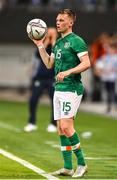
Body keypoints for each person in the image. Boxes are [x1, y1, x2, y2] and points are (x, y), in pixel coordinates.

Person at [30, 9, 91, 177]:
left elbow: (86, 63)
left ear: (70, 23)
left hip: (71, 89)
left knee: (66, 126)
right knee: (60, 129)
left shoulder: (76, 41)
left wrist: (68, 72)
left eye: (62, 20)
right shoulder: (57, 43)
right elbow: (49, 64)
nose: (58, 22)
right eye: (57, 19)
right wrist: (40, 46)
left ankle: (82, 164)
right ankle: (67, 167)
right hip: (59, 89)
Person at [24, 27, 58, 133]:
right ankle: (31, 123)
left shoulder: (57, 45)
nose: (50, 35)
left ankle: (53, 124)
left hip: (52, 78)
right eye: (49, 33)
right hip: (40, 77)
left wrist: (54, 41)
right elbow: (38, 55)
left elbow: (57, 55)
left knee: (55, 101)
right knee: (33, 100)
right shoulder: (42, 45)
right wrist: (46, 40)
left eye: (53, 33)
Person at [94, 38, 117, 113]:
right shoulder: (104, 57)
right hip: (106, 78)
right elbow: (98, 65)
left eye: (111, 49)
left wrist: (111, 70)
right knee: (108, 92)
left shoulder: (115, 58)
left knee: (112, 91)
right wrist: (99, 71)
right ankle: (109, 106)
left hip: (113, 78)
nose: (109, 50)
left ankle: (113, 106)